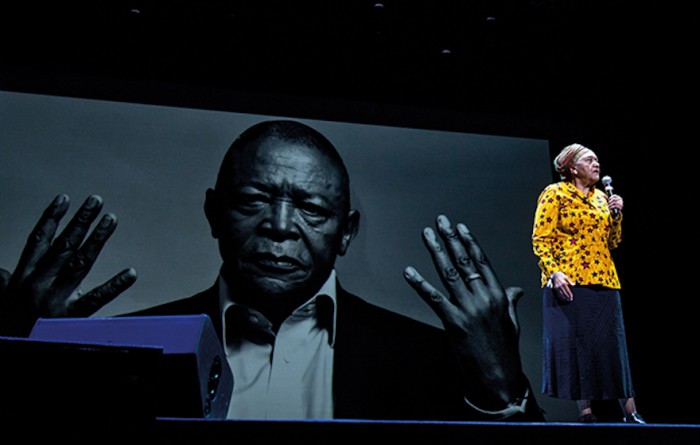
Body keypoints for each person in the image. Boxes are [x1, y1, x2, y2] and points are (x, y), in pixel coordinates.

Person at [1, 119, 543, 421]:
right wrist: (18, 356)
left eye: (312, 209)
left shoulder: (434, 362)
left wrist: (501, 387)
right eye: (254, 200)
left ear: (346, 233)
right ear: (214, 214)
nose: (280, 226)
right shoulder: (124, 358)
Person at [531, 142, 644, 424]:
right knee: (580, 348)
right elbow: (541, 239)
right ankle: (586, 413)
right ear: (572, 167)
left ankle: (631, 414)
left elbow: (613, 242)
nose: (597, 164)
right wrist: (554, 272)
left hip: (605, 278)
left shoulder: (600, 198)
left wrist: (617, 215)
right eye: (589, 160)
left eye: (597, 160)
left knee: (614, 348)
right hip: (570, 279)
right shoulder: (555, 193)